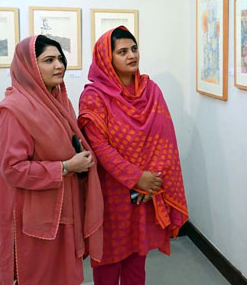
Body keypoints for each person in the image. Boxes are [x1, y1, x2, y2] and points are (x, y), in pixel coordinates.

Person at [78, 26, 188, 285]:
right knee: (107, 261)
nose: (132, 55)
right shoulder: (94, 97)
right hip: (110, 191)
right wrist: (137, 177)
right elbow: (99, 147)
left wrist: (152, 182)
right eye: (122, 51)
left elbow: (165, 140)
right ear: (107, 58)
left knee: (138, 260)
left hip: (146, 192)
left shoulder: (151, 91)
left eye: (134, 48)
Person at [0, 35, 104, 285]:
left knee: (64, 276)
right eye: (49, 60)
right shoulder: (14, 110)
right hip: (36, 216)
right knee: (41, 277)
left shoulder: (59, 101)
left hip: (65, 206)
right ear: (29, 67)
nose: (59, 66)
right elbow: (13, 170)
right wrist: (66, 167)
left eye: (60, 59)